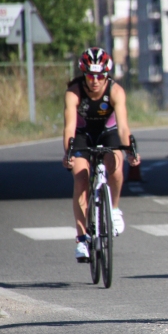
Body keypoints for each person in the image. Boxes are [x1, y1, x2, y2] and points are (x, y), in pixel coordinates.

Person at [63, 47, 141, 262]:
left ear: (106, 74)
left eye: (99, 76)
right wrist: (68, 152)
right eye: (90, 75)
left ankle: (113, 209)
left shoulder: (116, 91)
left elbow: (123, 127)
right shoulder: (74, 92)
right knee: (80, 178)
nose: (95, 81)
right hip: (82, 134)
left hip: (108, 132)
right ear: (83, 74)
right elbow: (69, 127)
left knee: (116, 166)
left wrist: (130, 150)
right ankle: (81, 238)